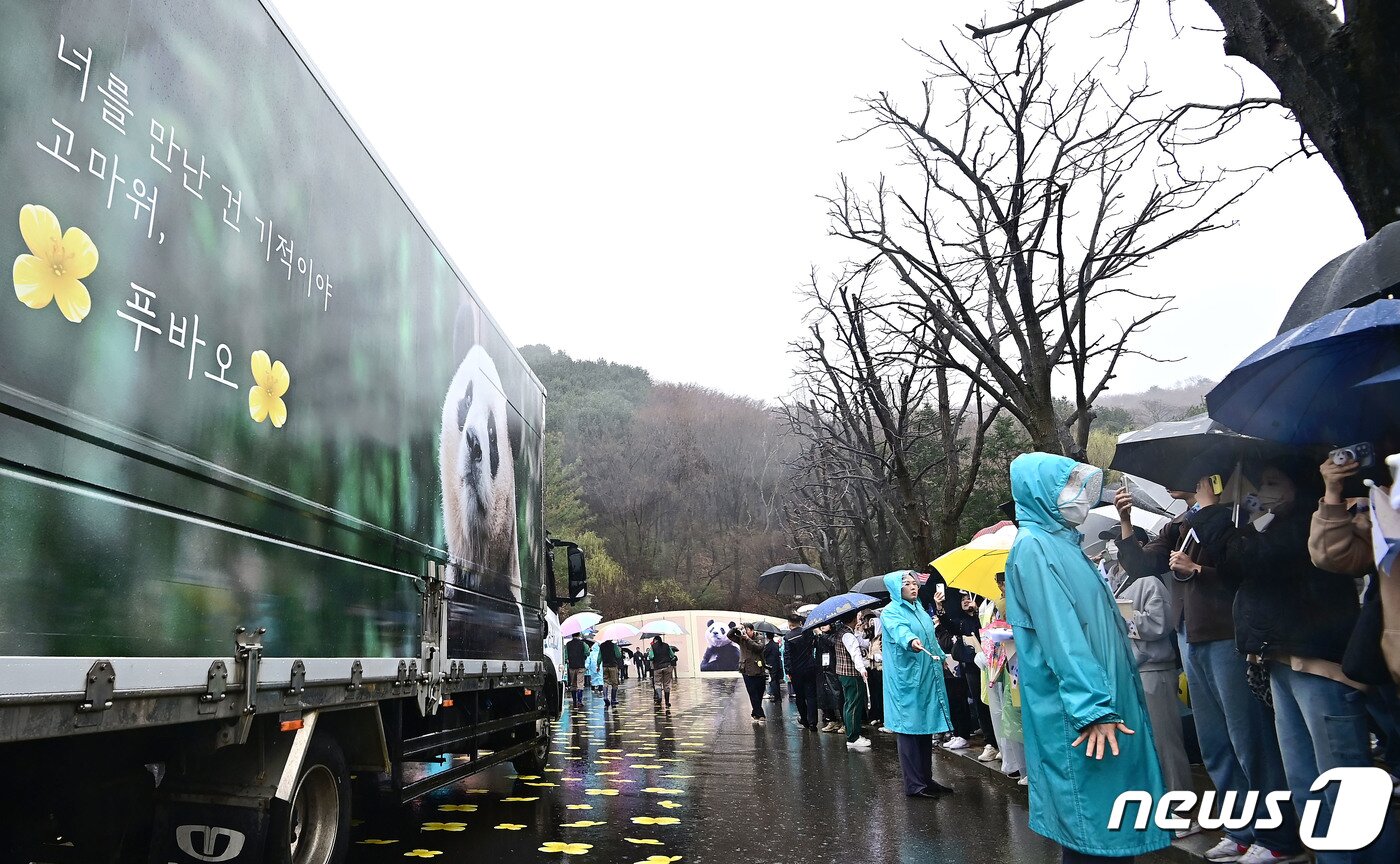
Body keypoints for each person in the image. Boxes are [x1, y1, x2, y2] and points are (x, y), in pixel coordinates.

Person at [1193, 457, 1393, 864]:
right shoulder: (1270, 523)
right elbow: (1234, 566)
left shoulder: (1306, 521)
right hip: (1281, 660)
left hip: (1322, 666)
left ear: (1299, 485)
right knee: (1305, 783)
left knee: (1342, 784)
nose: (1263, 490)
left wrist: (1212, 511)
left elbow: (1253, 558)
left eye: (1272, 481)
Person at [1117, 478, 1303, 861]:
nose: (1169, 481)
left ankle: (1278, 838)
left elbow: (1244, 572)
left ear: (1210, 479)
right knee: (1215, 741)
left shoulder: (1236, 515)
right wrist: (1126, 523)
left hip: (1224, 633)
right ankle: (1240, 829)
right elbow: (1141, 564)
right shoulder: (1179, 523)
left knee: (1248, 737)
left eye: (1183, 473)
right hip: (1190, 636)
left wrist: (1199, 567)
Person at [1004, 453, 1170, 863]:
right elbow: (1061, 635)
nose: (1079, 497)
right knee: (1094, 828)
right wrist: (1092, 708)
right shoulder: (1034, 547)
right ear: (1040, 493)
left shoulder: (1065, 546)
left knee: (1110, 824)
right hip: (1084, 716)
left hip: (1104, 705)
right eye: (1068, 487)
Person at [1102, 527, 1193, 801]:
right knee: (1143, 742)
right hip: (1130, 671)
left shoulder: (1150, 580)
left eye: (1117, 542)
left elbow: (1160, 623)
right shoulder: (1118, 583)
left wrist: (1124, 616)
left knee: (1166, 742)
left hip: (1154, 669)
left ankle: (1180, 804)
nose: (1112, 549)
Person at [879, 570, 955, 796]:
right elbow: (900, 632)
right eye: (908, 584)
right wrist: (910, 640)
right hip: (907, 681)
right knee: (909, 730)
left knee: (924, 728)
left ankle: (926, 779)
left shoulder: (920, 609)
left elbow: (930, 638)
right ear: (896, 588)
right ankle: (914, 784)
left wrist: (942, 656)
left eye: (915, 583)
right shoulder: (891, 612)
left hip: (927, 676)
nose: (914, 587)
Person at [979, 572, 1027, 780]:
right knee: (1011, 716)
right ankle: (1020, 766)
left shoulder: (1023, 600)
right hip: (1009, 666)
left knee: (1022, 717)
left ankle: (1028, 767)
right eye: (1001, 582)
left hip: (1024, 664)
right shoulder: (997, 605)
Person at [831, 610, 871, 750]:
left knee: (848, 703)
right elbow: (855, 653)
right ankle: (853, 737)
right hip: (852, 674)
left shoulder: (839, 633)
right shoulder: (848, 635)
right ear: (853, 619)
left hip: (842, 673)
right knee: (854, 704)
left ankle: (851, 733)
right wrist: (862, 669)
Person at [728, 622, 769, 722]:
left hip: (759, 669)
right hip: (746, 669)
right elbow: (729, 635)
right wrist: (735, 628)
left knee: (759, 692)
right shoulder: (741, 638)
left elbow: (759, 648)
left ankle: (755, 712)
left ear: (751, 630)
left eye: (746, 630)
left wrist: (748, 639)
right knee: (752, 692)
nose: (744, 633)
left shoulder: (759, 637)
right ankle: (760, 714)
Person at [785, 614, 820, 730]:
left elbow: (787, 656)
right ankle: (813, 722)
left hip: (796, 671)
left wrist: (788, 671)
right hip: (810, 667)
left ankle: (804, 719)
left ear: (790, 624)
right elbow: (814, 645)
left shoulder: (788, 637)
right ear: (800, 623)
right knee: (811, 696)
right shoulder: (807, 632)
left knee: (800, 697)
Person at [816, 625, 845, 734]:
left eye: (825, 624)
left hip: (833, 668)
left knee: (837, 695)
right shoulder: (819, 637)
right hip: (822, 668)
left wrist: (821, 634)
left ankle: (844, 722)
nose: (822, 627)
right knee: (824, 695)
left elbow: (833, 643)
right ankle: (831, 720)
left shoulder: (835, 634)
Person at [863, 611, 885, 731]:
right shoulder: (871, 638)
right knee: (874, 693)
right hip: (872, 667)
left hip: (881, 668)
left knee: (881, 693)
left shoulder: (881, 637)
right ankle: (876, 715)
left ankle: (883, 717)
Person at [648, 634, 677, 708]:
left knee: (657, 683)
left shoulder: (653, 647)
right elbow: (672, 655)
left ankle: (660, 697)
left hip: (657, 667)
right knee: (666, 684)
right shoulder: (667, 645)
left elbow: (651, 657)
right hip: (667, 666)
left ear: (655, 640)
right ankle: (667, 702)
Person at [564, 631, 588, 709]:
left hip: (572, 666)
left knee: (573, 684)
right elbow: (587, 652)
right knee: (580, 684)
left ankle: (574, 701)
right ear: (579, 635)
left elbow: (565, 655)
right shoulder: (583, 644)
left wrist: (568, 659)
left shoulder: (568, 644)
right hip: (581, 666)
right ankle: (579, 701)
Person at [599, 638, 623, 708]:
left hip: (605, 666)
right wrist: (619, 650)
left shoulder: (602, 646)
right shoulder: (614, 646)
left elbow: (599, 656)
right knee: (614, 683)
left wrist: (598, 664)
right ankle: (613, 699)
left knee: (605, 681)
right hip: (613, 665)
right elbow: (618, 655)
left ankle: (605, 697)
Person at [763, 632, 784, 702]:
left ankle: (776, 697)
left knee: (773, 681)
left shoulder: (768, 646)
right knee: (776, 681)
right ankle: (778, 697)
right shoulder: (776, 645)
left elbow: (764, 654)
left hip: (771, 665)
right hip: (777, 664)